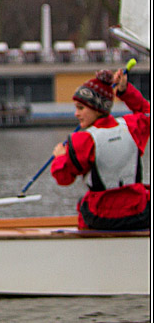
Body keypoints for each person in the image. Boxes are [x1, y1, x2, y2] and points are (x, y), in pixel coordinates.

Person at [51, 69, 150, 230]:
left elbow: (64, 179)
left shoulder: (81, 140)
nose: (76, 114)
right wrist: (125, 91)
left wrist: (60, 157)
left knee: (83, 204)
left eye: (81, 108)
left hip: (101, 218)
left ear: (97, 108)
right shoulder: (132, 126)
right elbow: (146, 111)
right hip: (139, 214)